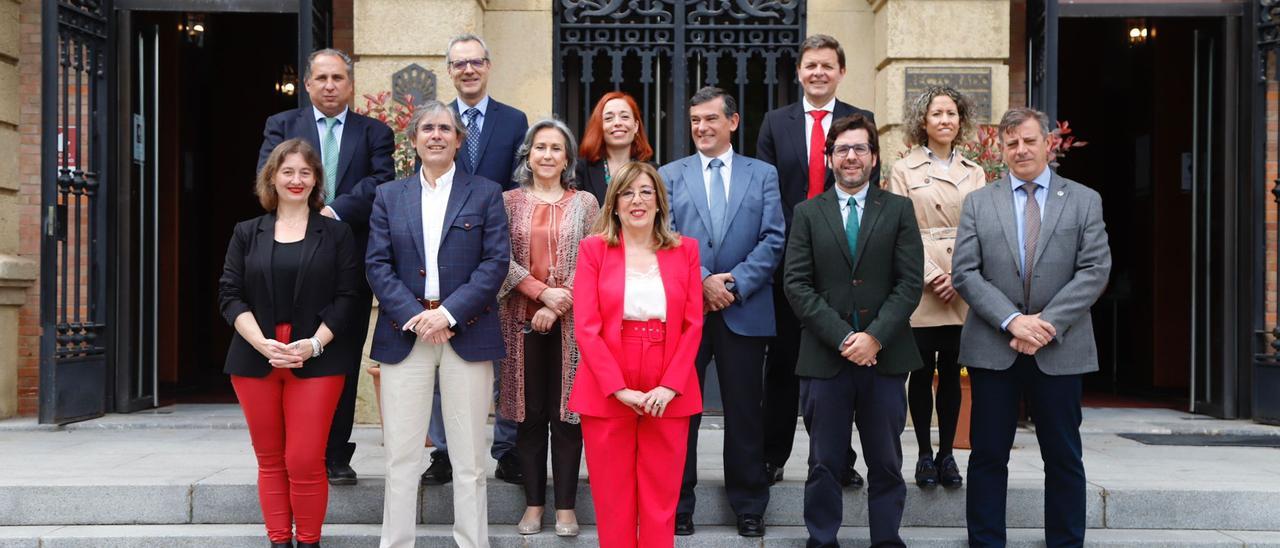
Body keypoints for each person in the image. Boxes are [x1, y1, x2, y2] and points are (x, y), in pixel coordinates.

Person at [952, 107, 1111, 547]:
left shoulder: (1083, 200)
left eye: (1028, 140)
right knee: (987, 454)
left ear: (1048, 143)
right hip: (993, 345)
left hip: (1060, 347)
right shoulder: (979, 202)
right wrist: (1013, 321)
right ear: (1001, 151)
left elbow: (1095, 270)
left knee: (1062, 455)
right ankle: (985, 541)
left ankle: (1064, 541)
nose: (1020, 149)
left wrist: (1045, 324)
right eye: (1011, 143)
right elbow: (965, 272)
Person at [365, 100, 510, 548]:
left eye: (445, 128)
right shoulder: (390, 196)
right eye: (427, 128)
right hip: (404, 333)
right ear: (413, 140)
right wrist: (416, 316)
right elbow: (377, 264)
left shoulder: (485, 192)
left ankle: (472, 542)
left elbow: (495, 262)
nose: (436, 135)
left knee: (468, 459)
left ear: (458, 140)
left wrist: (447, 314)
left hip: (466, 331)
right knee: (402, 456)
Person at [783, 113, 924, 548]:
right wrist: (845, 337)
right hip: (826, 359)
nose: (851, 156)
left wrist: (874, 337)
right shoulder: (808, 213)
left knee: (885, 460)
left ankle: (886, 539)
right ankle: (822, 538)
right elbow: (797, 284)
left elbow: (909, 283)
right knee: (824, 461)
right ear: (829, 158)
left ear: (874, 156)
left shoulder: (897, 209)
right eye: (842, 149)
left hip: (885, 358)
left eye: (860, 148)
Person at [256, 47, 396, 486]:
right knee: (292, 350)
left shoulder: (373, 131)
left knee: (343, 356)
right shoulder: (281, 126)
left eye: (338, 78)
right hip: (290, 260)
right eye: (322, 78)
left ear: (350, 84)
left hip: (348, 260)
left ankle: (336, 452)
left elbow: (381, 183)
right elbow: (266, 175)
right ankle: (297, 451)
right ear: (308, 84)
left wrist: (331, 211)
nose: (330, 85)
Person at [220, 138, 363, 548]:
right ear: (272, 178)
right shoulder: (247, 232)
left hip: (317, 358)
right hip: (255, 357)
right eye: (287, 172)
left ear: (316, 179)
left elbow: (348, 296)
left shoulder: (336, 234)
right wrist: (263, 343)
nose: (296, 180)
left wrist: (313, 345)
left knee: (303, 459)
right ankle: (279, 541)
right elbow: (230, 294)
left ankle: (310, 542)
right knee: (269, 459)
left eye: (305, 172)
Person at [659, 86, 784, 538]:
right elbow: (664, 235)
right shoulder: (670, 175)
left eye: (711, 119)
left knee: (745, 412)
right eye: (695, 121)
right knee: (679, 412)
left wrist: (732, 284)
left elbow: (774, 238)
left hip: (744, 308)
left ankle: (749, 505)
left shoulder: (763, 174)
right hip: (687, 311)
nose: (702, 128)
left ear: (732, 122)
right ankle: (678, 504)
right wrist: (704, 280)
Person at [755, 34, 876, 487]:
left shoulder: (858, 122)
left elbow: (868, 194)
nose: (818, 73)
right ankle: (773, 455)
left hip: (844, 261)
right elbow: (767, 192)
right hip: (790, 261)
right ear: (799, 73)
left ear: (841, 72)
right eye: (811, 66)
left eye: (827, 65)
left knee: (838, 361)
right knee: (785, 361)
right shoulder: (775, 122)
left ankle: (839, 458)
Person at [569, 161, 704, 548]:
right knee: (613, 501)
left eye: (646, 192)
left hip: (668, 377)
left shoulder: (685, 251)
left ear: (660, 202)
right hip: (609, 377)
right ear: (614, 204)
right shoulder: (593, 250)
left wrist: (670, 385)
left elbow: (692, 325)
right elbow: (587, 327)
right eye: (627, 193)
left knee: (661, 502)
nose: (637, 200)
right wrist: (617, 388)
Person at [423, 33, 530, 487]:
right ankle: (444, 452)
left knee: (504, 357)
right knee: (436, 356)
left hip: (496, 254)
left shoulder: (513, 120)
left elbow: (519, 184)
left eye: (476, 62)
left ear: (488, 66)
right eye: (459, 63)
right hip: (443, 255)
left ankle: (506, 449)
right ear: (449, 70)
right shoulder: (436, 121)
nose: (468, 70)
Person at [497, 119, 599, 537]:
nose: (547, 155)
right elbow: (496, 259)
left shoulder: (587, 204)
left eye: (556, 148)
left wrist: (558, 304)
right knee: (530, 414)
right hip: (520, 320)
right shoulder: (506, 203)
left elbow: (596, 260)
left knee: (569, 415)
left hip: (574, 322)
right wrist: (541, 293)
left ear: (568, 158)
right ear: (528, 154)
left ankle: (567, 509)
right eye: (540, 147)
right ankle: (535, 505)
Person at [885, 85, 987, 489]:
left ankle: (948, 455)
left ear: (960, 121)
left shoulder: (975, 170)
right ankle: (924, 455)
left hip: (962, 282)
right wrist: (932, 275)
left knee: (952, 370)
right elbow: (900, 229)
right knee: (922, 371)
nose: (945, 120)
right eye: (936, 113)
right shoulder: (903, 169)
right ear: (923, 121)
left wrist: (960, 276)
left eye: (951, 113)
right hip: (922, 280)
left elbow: (982, 230)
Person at [574, 91, 655, 204]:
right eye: (608, 118)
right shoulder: (581, 170)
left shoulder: (653, 171)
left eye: (624, 117)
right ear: (600, 127)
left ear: (635, 126)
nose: (617, 123)